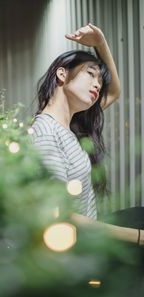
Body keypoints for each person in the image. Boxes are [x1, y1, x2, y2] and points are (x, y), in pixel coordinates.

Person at [32, 23, 144, 246]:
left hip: (92, 232)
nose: (97, 85)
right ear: (62, 74)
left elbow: (114, 91)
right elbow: (61, 215)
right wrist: (139, 238)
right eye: (91, 74)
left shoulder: (71, 123)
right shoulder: (45, 133)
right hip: (83, 249)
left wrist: (101, 43)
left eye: (99, 81)